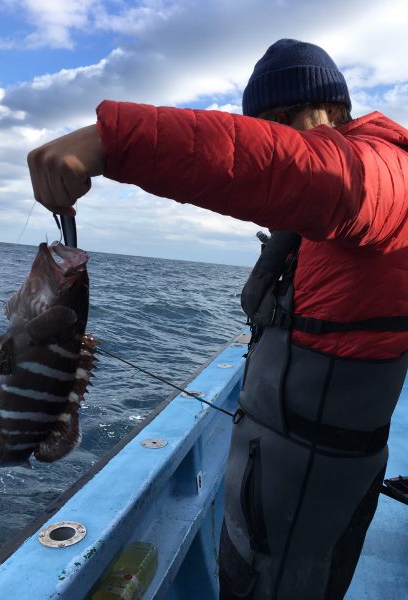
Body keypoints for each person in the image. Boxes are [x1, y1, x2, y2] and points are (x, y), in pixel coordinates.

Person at [27, 39, 408, 600]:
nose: (274, 138)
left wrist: (115, 140)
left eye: (275, 126)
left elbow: (301, 170)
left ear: (311, 112)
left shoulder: (381, 172)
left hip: (304, 490)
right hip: (276, 472)